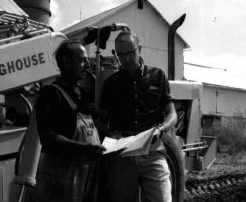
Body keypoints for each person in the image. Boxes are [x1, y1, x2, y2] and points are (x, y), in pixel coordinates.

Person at [99, 31, 177, 202]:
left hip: (153, 151)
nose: (126, 59)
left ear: (139, 49)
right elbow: (101, 120)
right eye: (121, 55)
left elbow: (172, 114)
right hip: (122, 155)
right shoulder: (111, 84)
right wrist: (110, 133)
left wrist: (162, 129)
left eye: (130, 53)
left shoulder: (158, 76)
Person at [35, 39, 106, 202]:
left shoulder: (83, 95)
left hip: (85, 179)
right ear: (66, 62)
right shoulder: (51, 95)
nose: (88, 65)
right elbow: (47, 138)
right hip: (59, 181)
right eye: (82, 60)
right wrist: (84, 149)